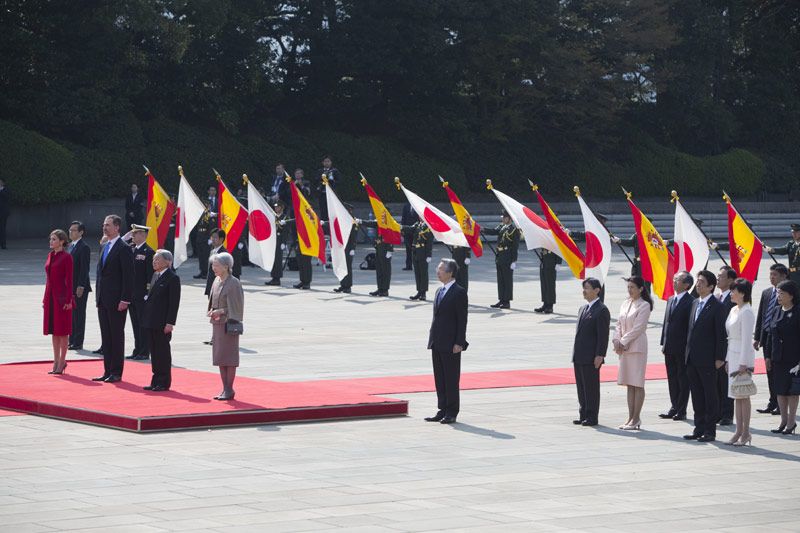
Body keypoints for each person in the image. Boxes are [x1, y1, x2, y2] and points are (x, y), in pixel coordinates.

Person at [683, 270, 727, 442]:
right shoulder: (695, 303)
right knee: (696, 394)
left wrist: (719, 358)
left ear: (710, 286)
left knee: (710, 396)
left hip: (708, 359)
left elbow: (721, 335)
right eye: (698, 281)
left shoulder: (717, 307)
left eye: (702, 282)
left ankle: (710, 431)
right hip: (692, 358)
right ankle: (698, 427)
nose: (698, 284)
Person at [425, 259, 468, 424]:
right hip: (437, 341)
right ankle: (442, 409)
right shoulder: (439, 290)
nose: (438, 271)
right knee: (440, 377)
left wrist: (459, 342)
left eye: (441, 269)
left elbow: (462, 320)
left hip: (451, 343)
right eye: (438, 268)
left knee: (451, 378)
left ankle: (452, 411)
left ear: (450, 273)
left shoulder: (458, 292)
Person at [92, 215, 134, 383]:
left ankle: (116, 371)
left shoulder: (123, 248)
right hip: (103, 299)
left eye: (108, 225)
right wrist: (98, 297)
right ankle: (107, 370)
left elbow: (128, 276)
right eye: (103, 225)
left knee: (116, 336)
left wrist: (125, 299)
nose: (104, 227)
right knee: (106, 336)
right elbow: (100, 274)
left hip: (117, 301)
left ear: (117, 227)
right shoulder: (105, 246)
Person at [612, 276, 653, 430]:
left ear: (641, 289)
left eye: (632, 287)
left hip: (636, 348)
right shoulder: (625, 303)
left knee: (637, 383)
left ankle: (636, 418)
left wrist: (622, 342)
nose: (629, 290)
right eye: (628, 287)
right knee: (629, 383)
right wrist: (616, 340)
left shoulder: (644, 305)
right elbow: (618, 324)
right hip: (624, 348)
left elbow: (638, 328)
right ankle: (630, 418)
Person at [572, 278, 610, 427]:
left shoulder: (601, 310)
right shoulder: (583, 308)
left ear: (597, 290)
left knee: (591, 388)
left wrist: (600, 355)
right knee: (581, 387)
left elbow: (603, 335)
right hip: (579, 355)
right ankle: (583, 414)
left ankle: (592, 416)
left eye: (587, 288)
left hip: (591, 356)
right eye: (584, 287)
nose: (584, 291)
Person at [141, 250, 181, 391]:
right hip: (151, 320)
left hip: (163, 322)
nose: (154, 262)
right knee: (154, 352)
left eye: (157, 260)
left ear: (167, 262)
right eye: (153, 260)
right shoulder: (155, 275)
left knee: (162, 352)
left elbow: (173, 303)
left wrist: (170, 323)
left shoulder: (172, 278)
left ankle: (163, 381)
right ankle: (155, 379)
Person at [207, 252, 244, 400]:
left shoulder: (233, 283)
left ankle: (229, 389)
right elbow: (212, 300)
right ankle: (225, 388)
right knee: (220, 358)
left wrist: (221, 311)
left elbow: (237, 307)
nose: (213, 268)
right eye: (213, 265)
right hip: (217, 323)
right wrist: (211, 311)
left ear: (226, 267)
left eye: (216, 265)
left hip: (229, 325)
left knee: (229, 359)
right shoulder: (216, 280)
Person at [659, 271, 695, 421]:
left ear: (686, 285)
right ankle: (674, 406)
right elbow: (667, 322)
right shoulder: (671, 299)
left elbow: (690, 327)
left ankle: (682, 409)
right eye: (674, 279)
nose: (674, 282)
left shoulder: (691, 301)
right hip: (669, 346)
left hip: (682, 347)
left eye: (677, 280)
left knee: (682, 378)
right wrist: (663, 341)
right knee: (672, 377)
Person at [724, 278, 756, 445]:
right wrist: (728, 359)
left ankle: (746, 432)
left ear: (742, 293)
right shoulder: (734, 310)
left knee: (743, 395)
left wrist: (744, 362)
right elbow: (731, 337)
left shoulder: (747, 311)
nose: (731, 293)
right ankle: (738, 431)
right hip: (733, 354)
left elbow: (746, 339)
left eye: (734, 291)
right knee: (736, 396)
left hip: (743, 357)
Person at [754, 263, 789, 415]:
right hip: (766, 337)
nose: (771, 277)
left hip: (780, 339)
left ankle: (781, 404)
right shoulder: (767, 292)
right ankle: (772, 401)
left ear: (783, 276)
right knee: (769, 371)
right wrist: (757, 337)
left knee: (779, 372)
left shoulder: (789, 293)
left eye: (775, 274)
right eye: (770, 274)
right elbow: (761, 316)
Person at [768, 280, 800, 435]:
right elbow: (770, 335)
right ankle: (783, 420)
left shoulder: (798, 311)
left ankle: (792, 421)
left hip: (794, 358)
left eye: (782, 293)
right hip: (778, 357)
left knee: (792, 391)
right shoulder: (775, 311)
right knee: (780, 390)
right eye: (778, 293)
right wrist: (768, 356)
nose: (779, 296)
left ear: (791, 296)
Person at [43, 229, 74, 374]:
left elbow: (69, 280)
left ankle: (62, 361)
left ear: (62, 241)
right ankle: (55, 361)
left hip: (62, 299)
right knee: (54, 332)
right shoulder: (50, 255)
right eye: (50, 239)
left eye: (54, 239)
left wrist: (68, 300)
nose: (51, 241)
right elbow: (48, 280)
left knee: (62, 332)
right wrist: (45, 298)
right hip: (50, 298)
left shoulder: (67, 257)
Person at [126, 225, 154, 361]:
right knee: (135, 323)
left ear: (144, 235)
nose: (133, 235)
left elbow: (150, 275)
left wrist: (148, 293)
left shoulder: (148, 252)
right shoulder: (131, 249)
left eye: (136, 233)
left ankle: (144, 350)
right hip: (131, 294)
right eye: (133, 233)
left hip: (142, 294)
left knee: (143, 324)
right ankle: (137, 349)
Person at [484, 211, 519, 309]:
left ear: (509, 218)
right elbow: (493, 231)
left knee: (507, 279)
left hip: (508, 257)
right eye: (503, 217)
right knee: (500, 279)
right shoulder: (502, 227)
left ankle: (507, 301)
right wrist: (482, 229)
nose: (502, 219)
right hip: (500, 256)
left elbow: (515, 246)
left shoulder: (514, 230)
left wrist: (514, 260)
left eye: (504, 217)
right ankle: (501, 299)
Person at [716, 266, 737, 425]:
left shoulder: (733, 299)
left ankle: (727, 414)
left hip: (728, 346)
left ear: (730, 280)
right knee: (716, 383)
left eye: (721, 276)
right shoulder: (716, 297)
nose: (718, 279)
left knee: (725, 382)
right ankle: (717, 411)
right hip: (714, 346)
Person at [68, 221, 91, 350]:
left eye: (74, 230)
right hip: (70, 286)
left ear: (81, 232)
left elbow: (84, 268)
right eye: (70, 230)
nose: (71, 232)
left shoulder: (84, 247)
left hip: (79, 287)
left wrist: (81, 285)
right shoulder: (71, 246)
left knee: (79, 314)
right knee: (71, 315)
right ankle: (72, 339)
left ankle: (78, 341)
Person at [361, 219, 393, 297]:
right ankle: (380, 288)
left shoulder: (389, 223)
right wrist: (361, 221)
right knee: (379, 270)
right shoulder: (378, 222)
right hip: (379, 249)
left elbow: (392, 236)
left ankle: (385, 290)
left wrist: (390, 250)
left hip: (386, 250)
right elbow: (370, 223)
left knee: (385, 271)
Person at [333, 206, 358, 294]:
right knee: (341, 266)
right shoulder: (342, 219)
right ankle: (343, 285)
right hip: (341, 246)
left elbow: (354, 236)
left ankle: (348, 286)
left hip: (349, 247)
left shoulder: (353, 220)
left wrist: (352, 248)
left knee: (347, 267)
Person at [265, 201, 289, 286]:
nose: (276, 208)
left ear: (282, 208)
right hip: (273, 240)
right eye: (275, 207)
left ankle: (277, 278)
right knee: (273, 260)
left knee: (278, 260)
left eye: (278, 207)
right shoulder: (273, 216)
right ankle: (273, 277)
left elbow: (286, 231)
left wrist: (283, 242)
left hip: (279, 241)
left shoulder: (285, 217)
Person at [409, 222, 433, 301]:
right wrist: (400, 227)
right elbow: (410, 230)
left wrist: (429, 255)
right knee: (417, 273)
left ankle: (423, 293)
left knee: (423, 273)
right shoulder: (417, 224)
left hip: (423, 252)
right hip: (416, 251)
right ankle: (419, 291)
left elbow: (429, 241)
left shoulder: (428, 226)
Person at [535, 249, 561, 314]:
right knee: (544, 285)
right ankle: (545, 304)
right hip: (544, 263)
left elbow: (559, 248)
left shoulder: (555, 238)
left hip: (551, 264)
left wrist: (558, 262)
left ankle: (550, 306)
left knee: (550, 285)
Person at [205, 228, 228, 296]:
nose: (212, 239)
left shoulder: (223, 253)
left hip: (219, 286)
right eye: (212, 237)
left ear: (221, 239)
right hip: (211, 285)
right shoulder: (212, 251)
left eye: (215, 237)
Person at [316, 156, 339, 221]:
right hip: (322, 193)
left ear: (331, 162)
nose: (327, 163)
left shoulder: (334, 171)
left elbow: (339, 181)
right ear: (323, 163)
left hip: (331, 194)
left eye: (328, 161)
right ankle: (324, 226)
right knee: (323, 210)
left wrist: (332, 181)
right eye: (325, 161)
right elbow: (316, 180)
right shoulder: (320, 171)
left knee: (332, 211)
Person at [401, 202, 418, 270]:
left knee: (416, 249)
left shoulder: (418, 205)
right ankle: (408, 265)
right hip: (407, 231)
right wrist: (402, 229)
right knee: (408, 249)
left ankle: (417, 265)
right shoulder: (406, 206)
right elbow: (403, 217)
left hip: (416, 231)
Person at [0, 178, 9, 249]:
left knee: (2, 228)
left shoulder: (6, 190)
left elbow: (6, 197)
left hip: (3, 212)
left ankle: (3, 244)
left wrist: (1, 190)